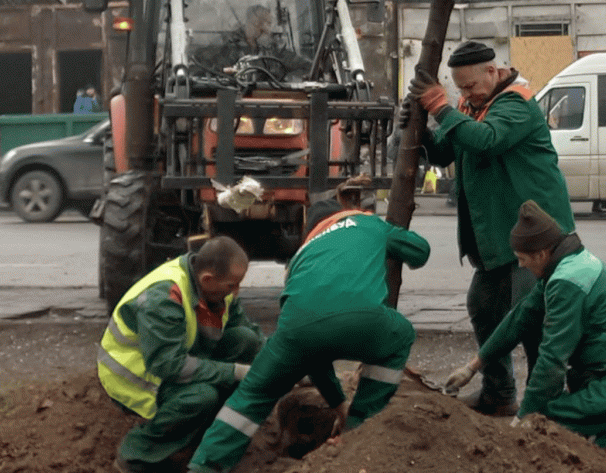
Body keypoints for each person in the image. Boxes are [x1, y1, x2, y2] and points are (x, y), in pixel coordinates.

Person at [187, 175, 430, 473]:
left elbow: (311, 350)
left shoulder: (302, 255)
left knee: (252, 396)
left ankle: (203, 466)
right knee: (400, 334)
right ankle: (358, 429)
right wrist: (389, 242)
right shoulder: (369, 223)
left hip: (294, 332)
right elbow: (421, 251)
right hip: (364, 320)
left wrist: (337, 402)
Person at [444, 200, 606, 468]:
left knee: (547, 420)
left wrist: (525, 417)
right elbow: (519, 318)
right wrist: (473, 366)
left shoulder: (568, 282)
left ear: (540, 254)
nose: (521, 265)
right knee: (573, 415)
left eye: (523, 259)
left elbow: (552, 358)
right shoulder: (562, 266)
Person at [406, 40, 575, 416]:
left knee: (532, 320)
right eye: (459, 88)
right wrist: (421, 131)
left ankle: (542, 405)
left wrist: (440, 106)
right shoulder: (472, 105)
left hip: (535, 237)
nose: (465, 94)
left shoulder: (516, 103)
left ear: (493, 71)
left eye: (470, 86)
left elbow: (486, 141)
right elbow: (447, 152)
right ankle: (499, 395)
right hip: (495, 236)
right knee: (483, 308)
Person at [98, 236, 263, 473]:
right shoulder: (164, 297)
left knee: (244, 339)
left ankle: (204, 430)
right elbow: (169, 365)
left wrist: (283, 365)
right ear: (208, 279)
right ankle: (136, 455)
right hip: (137, 374)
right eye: (231, 285)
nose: (235, 292)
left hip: (174, 355)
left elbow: (250, 334)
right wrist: (235, 372)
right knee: (201, 397)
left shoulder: (215, 288)